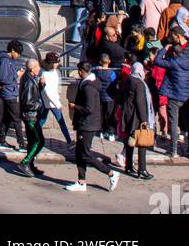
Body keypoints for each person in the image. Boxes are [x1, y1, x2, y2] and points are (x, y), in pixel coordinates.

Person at [66, 60, 119, 193]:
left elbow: (88, 108)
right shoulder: (89, 83)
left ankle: (111, 173)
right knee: (79, 153)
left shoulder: (89, 87)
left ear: (80, 71)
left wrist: (75, 107)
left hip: (87, 124)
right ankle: (81, 181)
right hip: (85, 123)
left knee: (85, 154)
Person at [153, 31, 189, 162]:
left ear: (173, 53)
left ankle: (174, 150)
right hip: (186, 95)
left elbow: (157, 61)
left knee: (174, 123)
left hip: (174, 95)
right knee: (187, 123)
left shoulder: (172, 63)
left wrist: (164, 49)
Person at [120, 60, 155, 181]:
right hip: (137, 117)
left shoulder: (129, 79)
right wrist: (144, 120)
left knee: (130, 141)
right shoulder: (139, 83)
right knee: (142, 143)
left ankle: (128, 166)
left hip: (129, 115)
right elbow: (140, 102)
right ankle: (142, 169)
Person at [0, 40, 25, 149]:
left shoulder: (7, 60)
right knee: (16, 118)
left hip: (9, 92)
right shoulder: (5, 61)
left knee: (7, 117)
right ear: (12, 50)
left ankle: (2, 141)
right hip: (8, 93)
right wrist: (17, 74)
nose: (19, 55)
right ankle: (22, 144)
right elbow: (3, 79)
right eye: (18, 52)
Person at [17, 58, 45, 177]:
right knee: (40, 141)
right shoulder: (28, 80)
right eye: (37, 67)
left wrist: (41, 85)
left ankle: (30, 164)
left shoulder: (31, 78)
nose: (39, 69)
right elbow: (27, 101)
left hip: (31, 115)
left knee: (32, 140)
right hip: (31, 116)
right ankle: (25, 162)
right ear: (32, 68)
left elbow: (34, 93)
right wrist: (39, 105)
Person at [38, 51, 72, 147]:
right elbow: (48, 91)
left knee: (42, 120)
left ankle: (33, 135)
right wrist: (57, 104)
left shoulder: (52, 71)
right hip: (51, 102)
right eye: (56, 62)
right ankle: (69, 141)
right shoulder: (46, 73)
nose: (58, 64)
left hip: (49, 101)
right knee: (61, 121)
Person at [93, 52, 118, 140]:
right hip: (109, 97)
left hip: (100, 96)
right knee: (110, 115)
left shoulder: (96, 72)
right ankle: (111, 132)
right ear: (109, 61)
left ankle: (101, 131)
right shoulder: (112, 73)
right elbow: (114, 85)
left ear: (100, 61)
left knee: (101, 115)